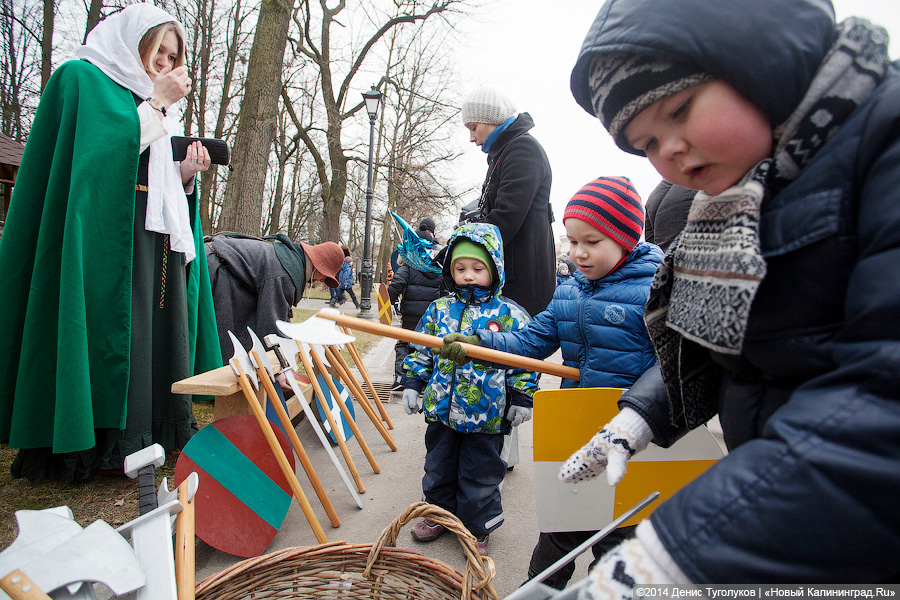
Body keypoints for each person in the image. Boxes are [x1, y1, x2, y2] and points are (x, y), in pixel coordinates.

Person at [562, 0, 900, 590]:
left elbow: (883, 398)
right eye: (647, 143)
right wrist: (642, 415)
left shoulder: (883, 146)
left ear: (758, 62)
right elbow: (719, 340)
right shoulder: (741, 191)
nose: (668, 150)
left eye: (679, 110)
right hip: (795, 509)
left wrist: (677, 556)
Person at [0, 4, 222, 483]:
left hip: (153, 238)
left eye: (173, 57)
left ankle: (145, 434)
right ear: (134, 42)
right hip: (100, 240)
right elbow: (95, 162)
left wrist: (186, 174)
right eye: (158, 51)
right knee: (108, 334)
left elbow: (156, 176)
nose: (165, 63)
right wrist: (155, 105)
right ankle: (93, 443)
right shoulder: (82, 79)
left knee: (150, 336)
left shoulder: (156, 103)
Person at [440, 177, 663, 588]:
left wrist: (642, 411)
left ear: (626, 238)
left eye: (592, 242)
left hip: (635, 435)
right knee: (562, 526)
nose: (578, 252)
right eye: (572, 241)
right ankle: (538, 591)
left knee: (616, 537)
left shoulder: (655, 290)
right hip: (577, 428)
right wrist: (480, 344)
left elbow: (671, 366)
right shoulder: (569, 293)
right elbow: (530, 340)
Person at [401, 222, 539, 557]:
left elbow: (525, 360)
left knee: (481, 474)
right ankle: (438, 515)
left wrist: (522, 397)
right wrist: (414, 383)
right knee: (438, 467)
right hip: (442, 411)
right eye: (460, 268)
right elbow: (422, 349)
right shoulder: (439, 310)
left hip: (487, 415)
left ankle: (477, 526)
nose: (468, 276)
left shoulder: (510, 315)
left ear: (495, 268)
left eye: (478, 268)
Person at [461, 87, 556, 318]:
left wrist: (460, 246)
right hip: (512, 274)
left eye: (473, 127)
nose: (471, 137)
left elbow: (505, 216)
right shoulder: (504, 152)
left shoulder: (522, 149)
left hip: (523, 280)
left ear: (490, 119)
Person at [206, 233, 344, 362]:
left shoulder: (290, 262)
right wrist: (278, 361)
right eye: (324, 276)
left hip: (222, 268)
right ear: (318, 266)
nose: (322, 280)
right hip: (215, 270)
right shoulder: (284, 273)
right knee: (224, 345)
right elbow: (271, 322)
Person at [387, 228, 444, 393]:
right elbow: (444, 293)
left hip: (410, 316)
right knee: (425, 347)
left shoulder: (408, 266)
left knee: (404, 344)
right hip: (430, 316)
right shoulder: (438, 268)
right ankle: (423, 381)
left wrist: (389, 303)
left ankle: (400, 378)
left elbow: (395, 286)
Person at [643, 180, 696, 253]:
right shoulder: (698, 187)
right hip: (680, 253)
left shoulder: (657, 191)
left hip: (663, 254)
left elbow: (651, 244)